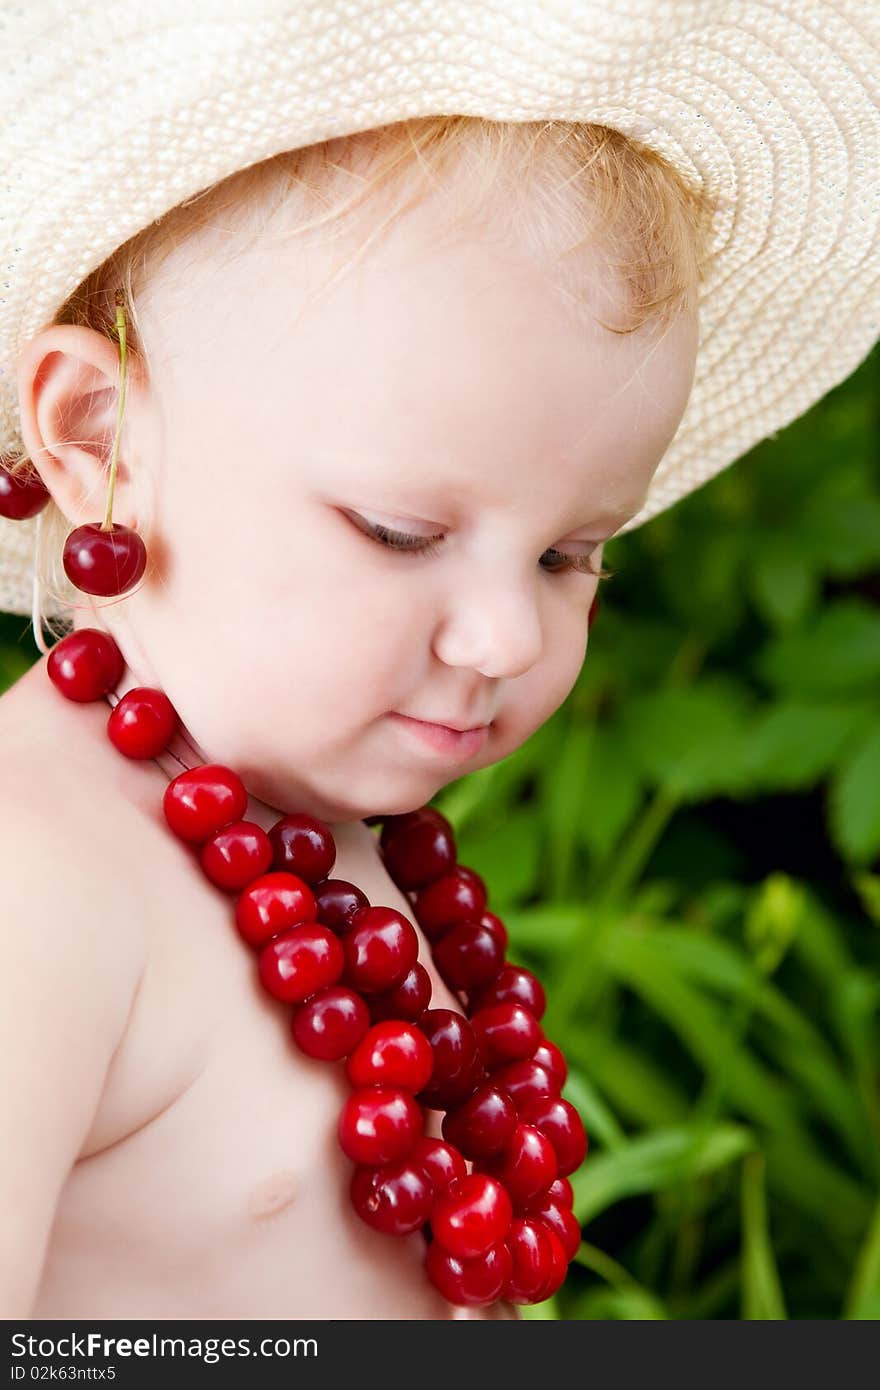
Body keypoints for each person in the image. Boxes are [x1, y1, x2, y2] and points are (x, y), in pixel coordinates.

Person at [0, 2, 877, 1322]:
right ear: (95, 433)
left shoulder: (330, 837)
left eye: (574, 554)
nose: (510, 638)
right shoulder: (44, 881)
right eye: (403, 531)